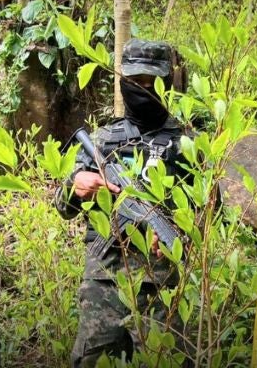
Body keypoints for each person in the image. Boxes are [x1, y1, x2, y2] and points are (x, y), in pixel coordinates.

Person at [55, 38, 190, 367]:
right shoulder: (103, 140)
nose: (142, 89)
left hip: (162, 283)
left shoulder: (186, 143)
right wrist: (76, 185)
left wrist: (179, 234)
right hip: (106, 277)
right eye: (134, 81)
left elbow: (209, 213)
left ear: (166, 82)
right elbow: (63, 207)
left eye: (150, 81)